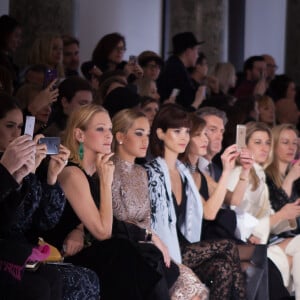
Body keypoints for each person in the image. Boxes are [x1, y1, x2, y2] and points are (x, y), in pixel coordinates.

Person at [43, 104, 166, 299]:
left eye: (109, 128)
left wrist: (79, 229)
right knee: (120, 251)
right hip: (61, 255)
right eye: (100, 129)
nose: (108, 135)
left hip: (85, 249)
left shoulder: (94, 172)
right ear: (80, 135)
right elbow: (103, 232)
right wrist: (106, 183)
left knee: (139, 254)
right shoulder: (72, 172)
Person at [0, 93, 100, 299]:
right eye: (9, 125)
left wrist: (51, 177)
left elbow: (46, 221)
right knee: (48, 285)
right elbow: (11, 225)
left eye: (20, 127)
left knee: (87, 278)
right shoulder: (10, 164)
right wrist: (13, 174)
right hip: (11, 255)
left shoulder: (23, 163)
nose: (16, 133)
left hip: (28, 253)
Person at [144, 103, 246, 300]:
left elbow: (214, 209)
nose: (184, 137)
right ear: (161, 133)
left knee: (223, 267)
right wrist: (226, 171)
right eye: (177, 131)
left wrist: (235, 170)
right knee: (228, 247)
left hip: (185, 245)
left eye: (187, 132)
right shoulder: (152, 172)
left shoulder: (184, 174)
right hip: (163, 250)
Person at [111, 108, 209, 300]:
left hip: (151, 246)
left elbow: (147, 220)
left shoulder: (140, 172)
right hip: (129, 250)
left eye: (146, 134)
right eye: (139, 134)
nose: (144, 140)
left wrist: (154, 239)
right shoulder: (110, 169)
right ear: (120, 136)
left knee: (195, 288)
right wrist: (152, 238)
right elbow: (120, 218)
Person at [180, 113, 269, 299]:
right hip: (188, 242)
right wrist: (228, 170)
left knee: (251, 257)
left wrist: (245, 170)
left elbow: (233, 200)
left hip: (204, 241)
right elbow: (210, 213)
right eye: (200, 134)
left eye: (207, 134)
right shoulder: (183, 172)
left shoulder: (200, 174)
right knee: (244, 254)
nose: (206, 139)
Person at [226, 121, 300, 298]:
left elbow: (271, 222)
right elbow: (236, 222)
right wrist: (282, 215)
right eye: (258, 142)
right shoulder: (239, 174)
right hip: (250, 247)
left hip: (266, 243)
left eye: (267, 142)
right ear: (245, 146)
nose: (265, 147)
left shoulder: (257, 174)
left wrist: (287, 216)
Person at [157, 32, 206, 110]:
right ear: (188, 51)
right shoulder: (177, 70)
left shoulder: (175, 66)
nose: (197, 55)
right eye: (196, 50)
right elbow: (185, 102)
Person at [265, 124, 300, 231]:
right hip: (277, 239)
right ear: (273, 145)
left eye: (294, 143)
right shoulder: (265, 176)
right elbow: (279, 213)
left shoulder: (296, 176)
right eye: (285, 142)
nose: (291, 147)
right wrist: (289, 179)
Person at [196, 107, 227, 181]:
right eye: (212, 130)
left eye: (221, 131)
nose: (219, 137)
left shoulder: (218, 172)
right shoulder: (185, 168)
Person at [0, 15, 22, 86]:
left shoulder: (9, 61)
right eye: (16, 36)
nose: (19, 41)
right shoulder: (2, 61)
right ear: (5, 34)